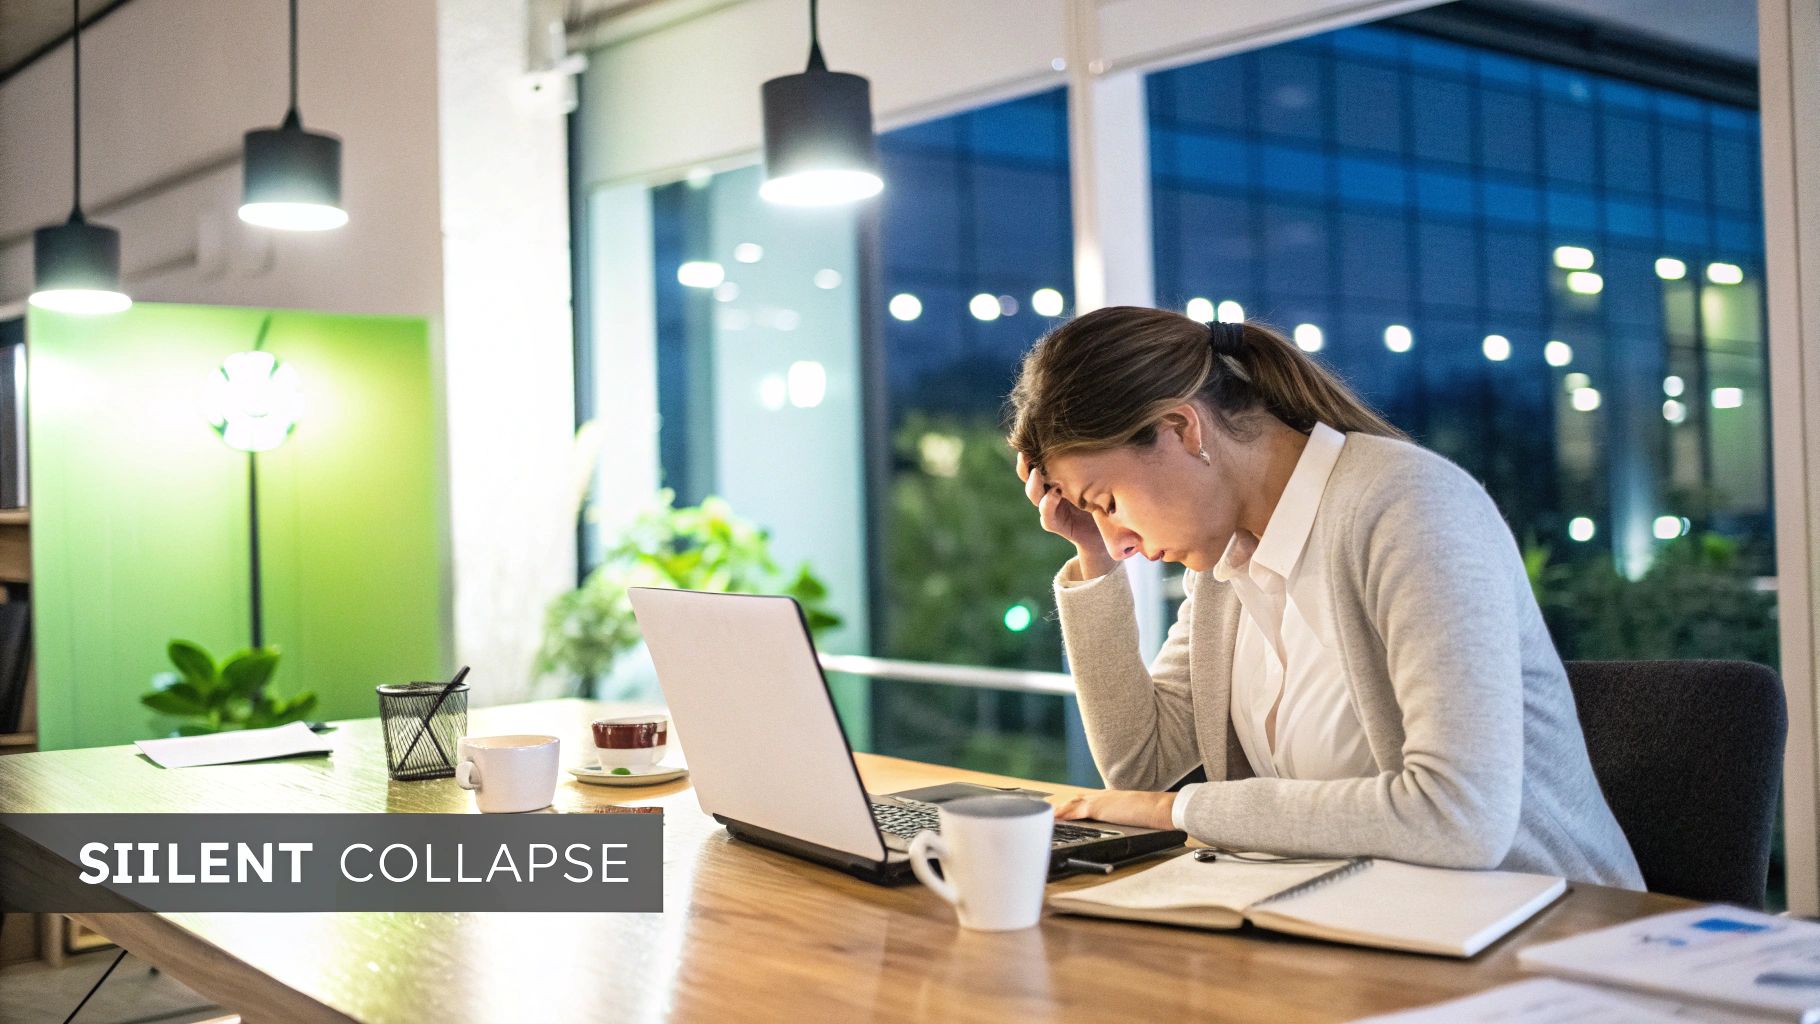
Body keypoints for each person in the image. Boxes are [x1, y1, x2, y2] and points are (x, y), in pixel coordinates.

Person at [1009, 305, 1642, 888]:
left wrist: (1182, 810)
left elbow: (1458, 816)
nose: (1120, 540)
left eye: (1110, 502)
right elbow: (1140, 764)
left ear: (1180, 428)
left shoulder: (1408, 510)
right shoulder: (1228, 567)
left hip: (1544, 929)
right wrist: (1091, 555)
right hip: (1367, 919)